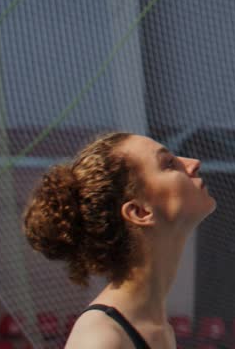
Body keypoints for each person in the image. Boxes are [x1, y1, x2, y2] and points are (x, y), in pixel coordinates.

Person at [22, 132, 216, 349]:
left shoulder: (157, 327)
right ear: (140, 211)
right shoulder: (101, 338)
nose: (193, 164)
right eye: (169, 164)